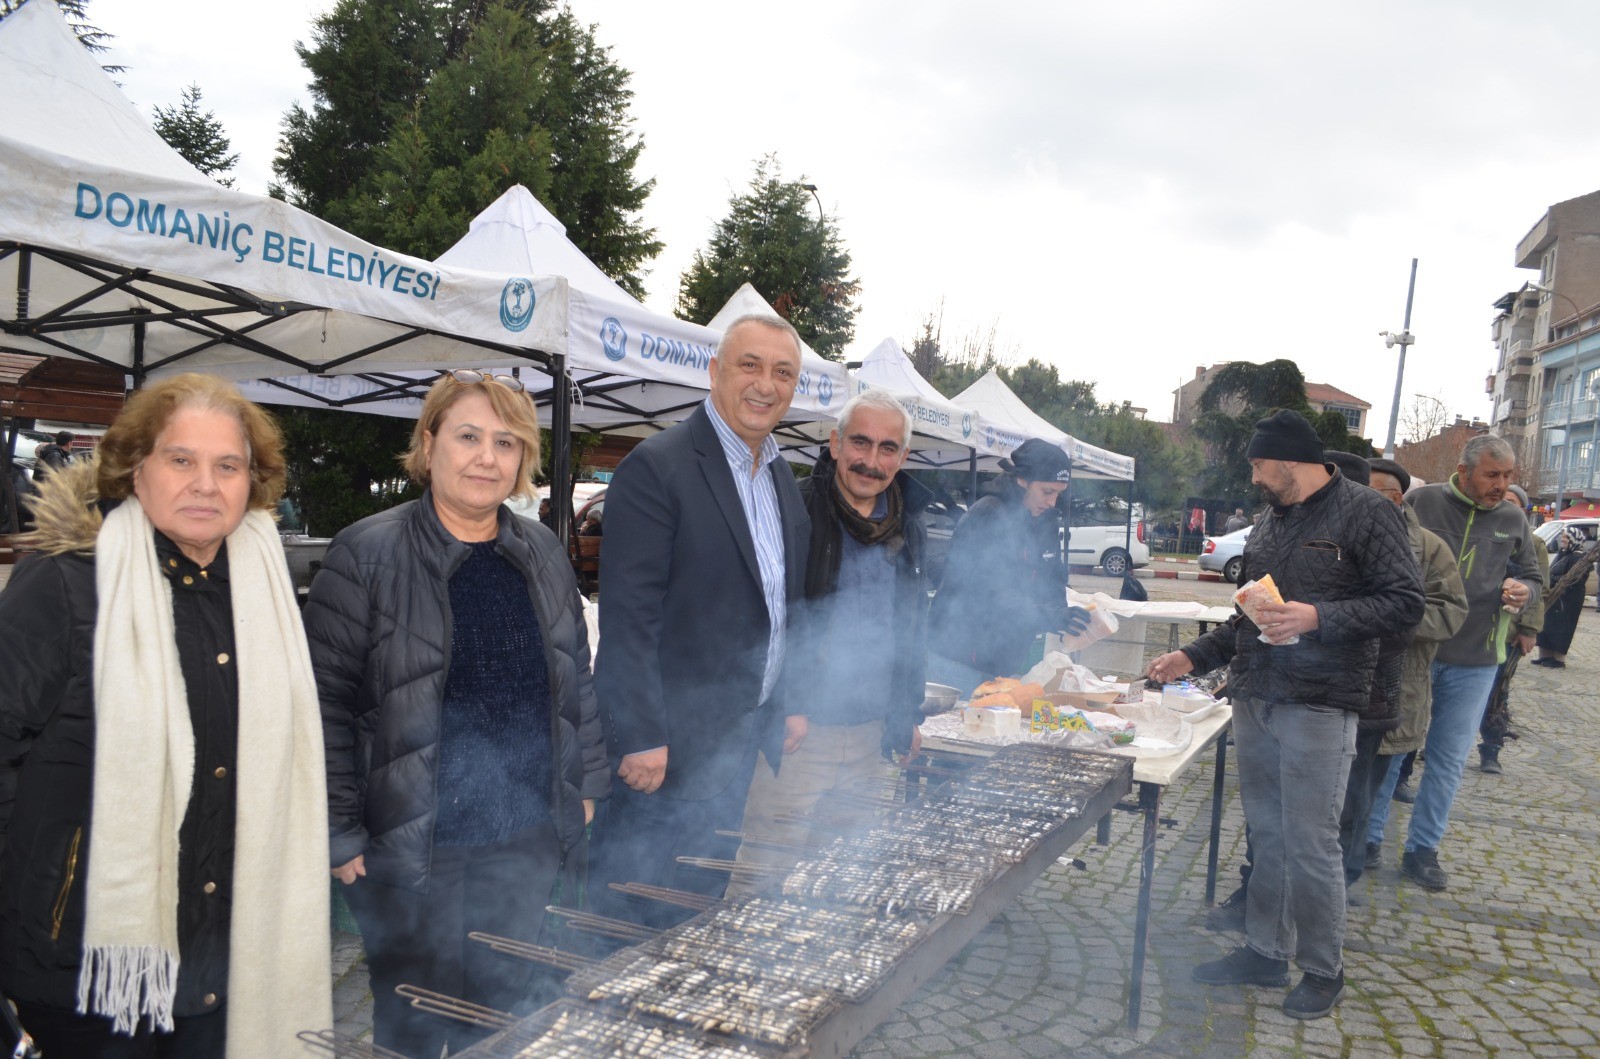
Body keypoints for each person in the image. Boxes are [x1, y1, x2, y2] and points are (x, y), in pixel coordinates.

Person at [0, 374, 331, 1058]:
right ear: (134, 469)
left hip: (224, 953)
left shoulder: (262, 598)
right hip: (87, 961)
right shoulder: (66, 584)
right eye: (181, 459)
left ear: (253, 483)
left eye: (227, 465)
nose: (205, 484)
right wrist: (41, 879)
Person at [305, 370, 607, 1058]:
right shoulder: (367, 552)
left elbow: (574, 674)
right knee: (412, 1021)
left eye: (506, 442)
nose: (486, 457)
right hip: (413, 846)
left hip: (523, 838)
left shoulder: (542, 553)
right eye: (468, 436)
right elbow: (321, 698)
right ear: (430, 441)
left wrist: (586, 782)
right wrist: (339, 828)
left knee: (502, 1019)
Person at [1146, 410, 1423, 1020]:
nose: (1252, 475)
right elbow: (1251, 615)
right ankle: (1265, 952)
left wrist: (1319, 617)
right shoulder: (1271, 520)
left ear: (1289, 461)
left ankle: (1325, 970)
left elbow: (1406, 604)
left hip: (1322, 703)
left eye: (1256, 464)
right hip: (1258, 697)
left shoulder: (1366, 511)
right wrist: (1190, 655)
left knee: (1312, 842)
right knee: (1267, 834)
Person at [589, 315, 810, 928]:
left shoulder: (781, 477)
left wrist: (785, 701)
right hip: (666, 755)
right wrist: (639, 735)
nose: (766, 385)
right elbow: (628, 620)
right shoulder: (656, 467)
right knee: (632, 921)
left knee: (697, 914)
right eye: (750, 365)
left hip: (737, 748)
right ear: (715, 372)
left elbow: (782, 606)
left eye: (782, 372)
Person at [731, 390, 932, 889]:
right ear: (836, 443)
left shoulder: (910, 523)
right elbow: (759, 616)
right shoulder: (791, 507)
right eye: (860, 443)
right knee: (762, 879)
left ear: (903, 457)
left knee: (840, 883)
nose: (871, 460)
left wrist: (905, 713)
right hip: (799, 737)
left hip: (870, 736)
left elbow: (911, 626)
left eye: (888, 448)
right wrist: (784, 703)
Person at [1385, 434, 1541, 891]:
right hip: (1415, 652)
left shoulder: (1513, 517)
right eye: (1493, 474)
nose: (1502, 484)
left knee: (1448, 760)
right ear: (1464, 469)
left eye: (1508, 476)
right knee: (1392, 749)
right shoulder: (1422, 501)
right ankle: (1369, 839)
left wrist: (1523, 590)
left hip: (1476, 659)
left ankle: (1422, 850)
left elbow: (1532, 574)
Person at [1353, 457, 1468, 877]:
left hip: (1395, 687)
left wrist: (1387, 615)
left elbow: (1453, 611)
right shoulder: (1343, 532)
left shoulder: (1430, 549)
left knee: (1371, 784)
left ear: (1396, 498)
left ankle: (1358, 855)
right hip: (1334, 687)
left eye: (1370, 492)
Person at [925, 438, 1092, 695]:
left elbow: (1054, 577)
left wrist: (1063, 614)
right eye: (1047, 492)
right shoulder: (987, 514)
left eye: (1058, 493)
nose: (1052, 502)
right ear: (1022, 480)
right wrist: (1050, 616)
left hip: (1005, 660)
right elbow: (988, 593)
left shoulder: (1046, 520)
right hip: (958, 658)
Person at [1473, 483, 1549, 776]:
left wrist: (1529, 629)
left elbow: (1538, 588)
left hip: (1507, 631)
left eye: (1515, 502)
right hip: (1471, 626)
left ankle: (1491, 749)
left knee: (1497, 691)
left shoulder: (1534, 542)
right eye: (1505, 500)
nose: (1508, 505)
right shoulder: (1484, 531)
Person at [1530, 527, 1585, 669]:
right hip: (1555, 597)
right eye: (1563, 536)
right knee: (1547, 626)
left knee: (1560, 629)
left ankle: (1558, 660)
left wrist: (1552, 580)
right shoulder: (1563, 554)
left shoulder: (1578, 557)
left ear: (1574, 539)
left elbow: (1574, 579)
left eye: (1566, 537)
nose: (1563, 539)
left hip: (1567, 600)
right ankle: (1545, 656)